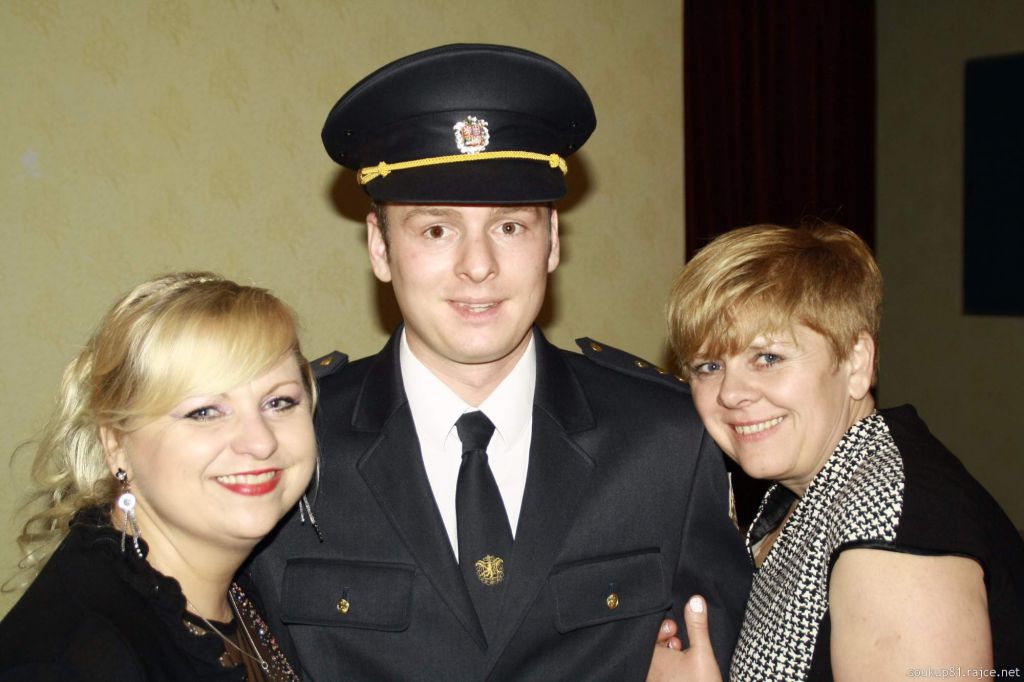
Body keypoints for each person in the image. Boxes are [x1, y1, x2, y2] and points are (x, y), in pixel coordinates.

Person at [248, 43, 751, 680]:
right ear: (379, 247)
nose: (478, 266)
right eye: (436, 230)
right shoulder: (285, 447)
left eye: (510, 227)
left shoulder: (665, 440)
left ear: (552, 241)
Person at [649, 224, 1024, 680]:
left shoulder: (889, 531)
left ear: (856, 362)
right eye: (709, 366)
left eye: (768, 358)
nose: (730, 393)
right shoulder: (810, 487)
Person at [0, 273, 319, 681]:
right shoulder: (72, 658)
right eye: (204, 412)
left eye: (279, 402)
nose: (260, 442)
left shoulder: (246, 587)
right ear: (116, 443)